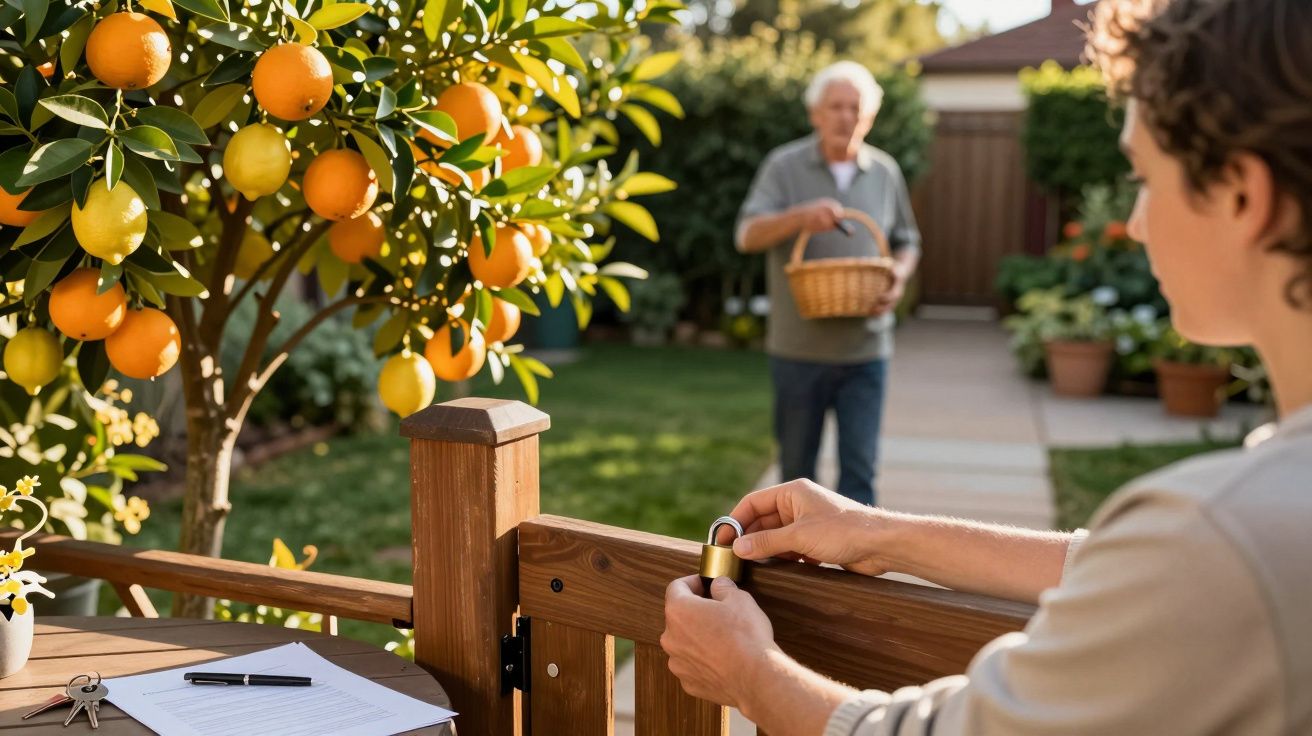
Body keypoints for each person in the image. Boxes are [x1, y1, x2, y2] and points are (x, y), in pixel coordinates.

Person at [662, 0, 1312, 733]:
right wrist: (875, 534)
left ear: (1243, 195)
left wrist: (748, 673)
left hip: (864, 349)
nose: (1132, 223)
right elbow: (1117, 567)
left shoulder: (1227, 532)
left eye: (1142, 177)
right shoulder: (1251, 519)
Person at [736, 61, 921, 506]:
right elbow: (746, 235)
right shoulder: (783, 166)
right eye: (835, 107)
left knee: (860, 475)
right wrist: (800, 217)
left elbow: (907, 241)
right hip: (799, 349)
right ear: (815, 114)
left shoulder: (884, 171)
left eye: (854, 108)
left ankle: (852, 573)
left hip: (866, 351)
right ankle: (792, 570)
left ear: (869, 117)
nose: (844, 117)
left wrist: (897, 276)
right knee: (796, 478)